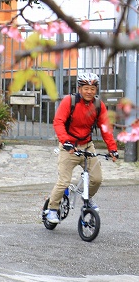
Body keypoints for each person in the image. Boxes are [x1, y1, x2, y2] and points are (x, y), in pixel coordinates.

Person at [46, 73, 118, 223]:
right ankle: (52, 209)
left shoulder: (98, 105)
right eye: (86, 88)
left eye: (92, 88)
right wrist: (65, 142)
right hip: (69, 147)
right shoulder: (69, 101)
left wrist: (112, 149)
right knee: (64, 181)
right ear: (79, 88)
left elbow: (105, 128)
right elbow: (58, 122)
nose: (89, 92)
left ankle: (87, 197)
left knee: (97, 179)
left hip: (87, 146)